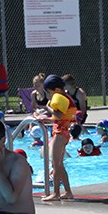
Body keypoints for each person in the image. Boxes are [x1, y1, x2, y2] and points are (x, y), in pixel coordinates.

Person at [42, 74, 77, 202]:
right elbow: (60, 118)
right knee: (59, 164)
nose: (49, 95)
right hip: (63, 132)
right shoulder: (65, 98)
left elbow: (58, 114)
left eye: (49, 92)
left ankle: (55, 193)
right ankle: (68, 192)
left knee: (55, 164)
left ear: (56, 90)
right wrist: (45, 119)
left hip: (60, 134)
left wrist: (47, 107)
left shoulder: (61, 98)